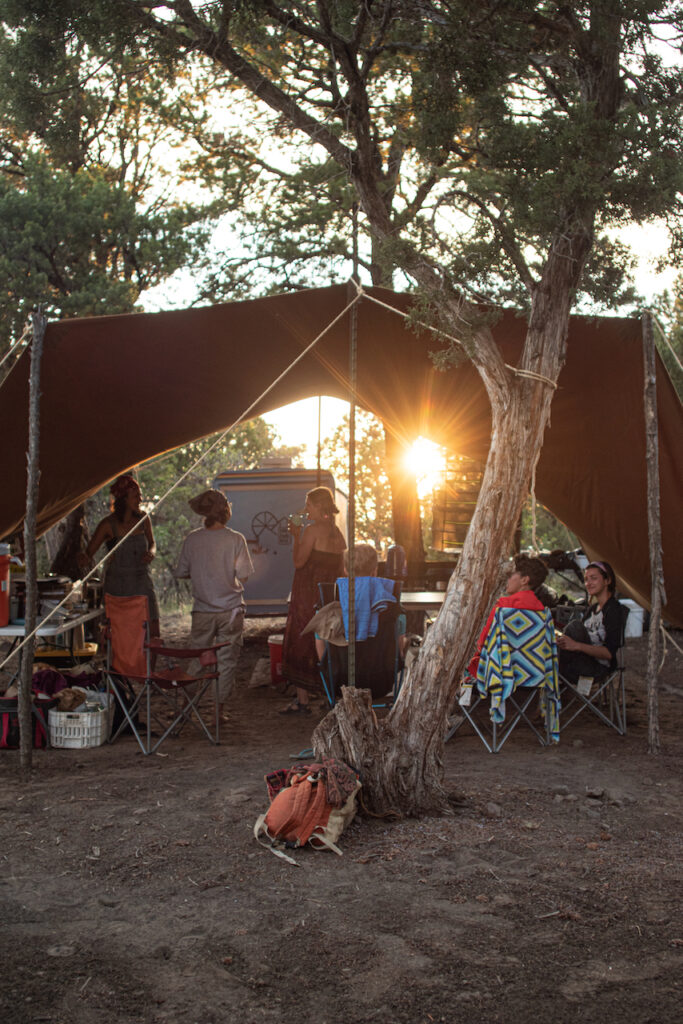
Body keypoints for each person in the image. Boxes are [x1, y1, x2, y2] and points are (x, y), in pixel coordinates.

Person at [175, 489, 253, 723]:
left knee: (197, 656)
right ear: (225, 511)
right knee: (227, 661)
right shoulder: (235, 539)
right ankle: (217, 713)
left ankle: (185, 707)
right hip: (230, 610)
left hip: (202, 611)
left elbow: (181, 572)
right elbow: (245, 575)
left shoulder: (193, 539)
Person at [279, 486, 346, 715]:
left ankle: (302, 699)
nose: (306, 509)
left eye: (309, 504)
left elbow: (299, 562)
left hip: (308, 592)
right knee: (328, 641)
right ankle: (329, 694)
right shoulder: (336, 532)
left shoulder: (311, 531)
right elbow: (342, 568)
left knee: (302, 637)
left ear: (319, 506)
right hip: (329, 593)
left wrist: (296, 537)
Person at [79, 473, 160, 638]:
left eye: (140, 495)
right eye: (135, 496)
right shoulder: (108, 525)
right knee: (120, 631)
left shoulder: (144, 519)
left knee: (153, 628)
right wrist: (82, 558)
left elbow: (152, 543)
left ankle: (148, 663)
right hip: (118, 585)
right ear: (123, 499)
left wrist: (151, 553)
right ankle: (119, 662)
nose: (140, 499)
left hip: (142, 580)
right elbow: (88, 554)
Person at [466, 554, 549, 679]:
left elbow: (482, 643)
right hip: (531, 676)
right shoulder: (542, 611)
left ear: (524, 580)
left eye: (510, 575)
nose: (507, 579)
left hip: (497, 674)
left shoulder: (503, 606)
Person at [556, 560, 621, 683]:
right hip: (577, 661)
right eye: (586, 579)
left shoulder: (613, 610)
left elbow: (608, 654)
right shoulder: (591, 609)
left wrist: (576, 645)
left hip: (597, 667)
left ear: (607, 581)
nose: (588, 583)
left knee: (575, 626)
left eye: (593, 578)